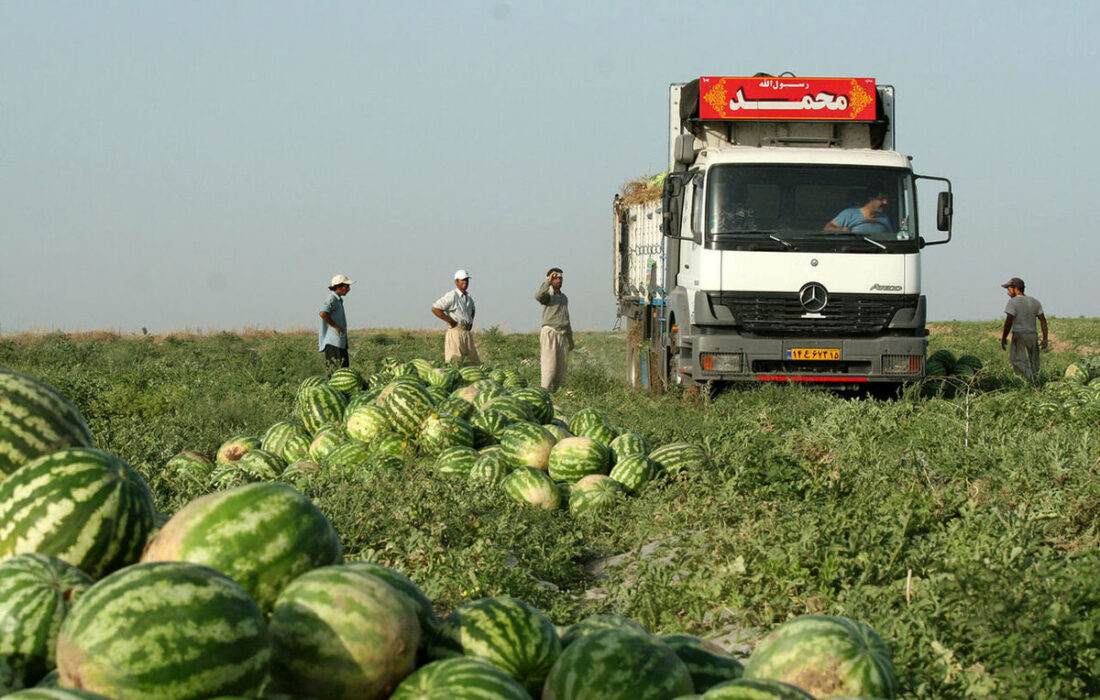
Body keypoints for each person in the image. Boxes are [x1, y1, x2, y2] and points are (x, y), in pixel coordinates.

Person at [1000, 277, 1048, 381]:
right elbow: (1043, 320)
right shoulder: (1035, 302)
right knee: (1034, 360)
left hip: (1019, 334)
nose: (1008, 293)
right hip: (1032, 334)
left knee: (1017, 359)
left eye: (1009, 289)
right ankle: (1036, 380)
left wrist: (1004, 337)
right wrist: (1045, 339)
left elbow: (1009, 321)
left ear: (1016, 288)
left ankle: (1027, 380)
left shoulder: (1013, 302)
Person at [535, 267, 574, 392]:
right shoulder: (548, 296)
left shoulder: (564, 298)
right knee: (549, 366)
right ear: (551, 279)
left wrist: (570, 338)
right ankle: (544, 391)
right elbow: (538, 295)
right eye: (555, 278)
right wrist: (547, 281)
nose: (558, 280)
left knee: (561, 367)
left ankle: (558, 392)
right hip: (550, 333)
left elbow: (566, 319)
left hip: (561, 335)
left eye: (560, 278)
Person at [431, 269, 480, 366]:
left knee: (473, 363)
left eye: (466, 280)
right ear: (456, 281)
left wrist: (470, 321)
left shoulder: (468, 297)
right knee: (455, 363)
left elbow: (473, 310)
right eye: (462, 280)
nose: (465, 282)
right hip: (456, 331)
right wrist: (450, 321)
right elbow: (435, 308)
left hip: (466, 332)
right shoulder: (452, 295)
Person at [318, 274, 354, 375]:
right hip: (333, 342)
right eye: (347, 287)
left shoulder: (338, 300)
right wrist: (335, 326)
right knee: (336, 373)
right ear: (340, 287)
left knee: (343, 371)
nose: (349, 289)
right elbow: (323, 313)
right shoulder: (332, 299)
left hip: (339, 341)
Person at [825, 188, 893, 233]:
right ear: (871, 199)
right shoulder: (849, 213)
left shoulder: (885, 219)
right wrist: (841, 230)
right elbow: (827, 228)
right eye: (881, 199)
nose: (885, 202)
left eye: (886, 199)